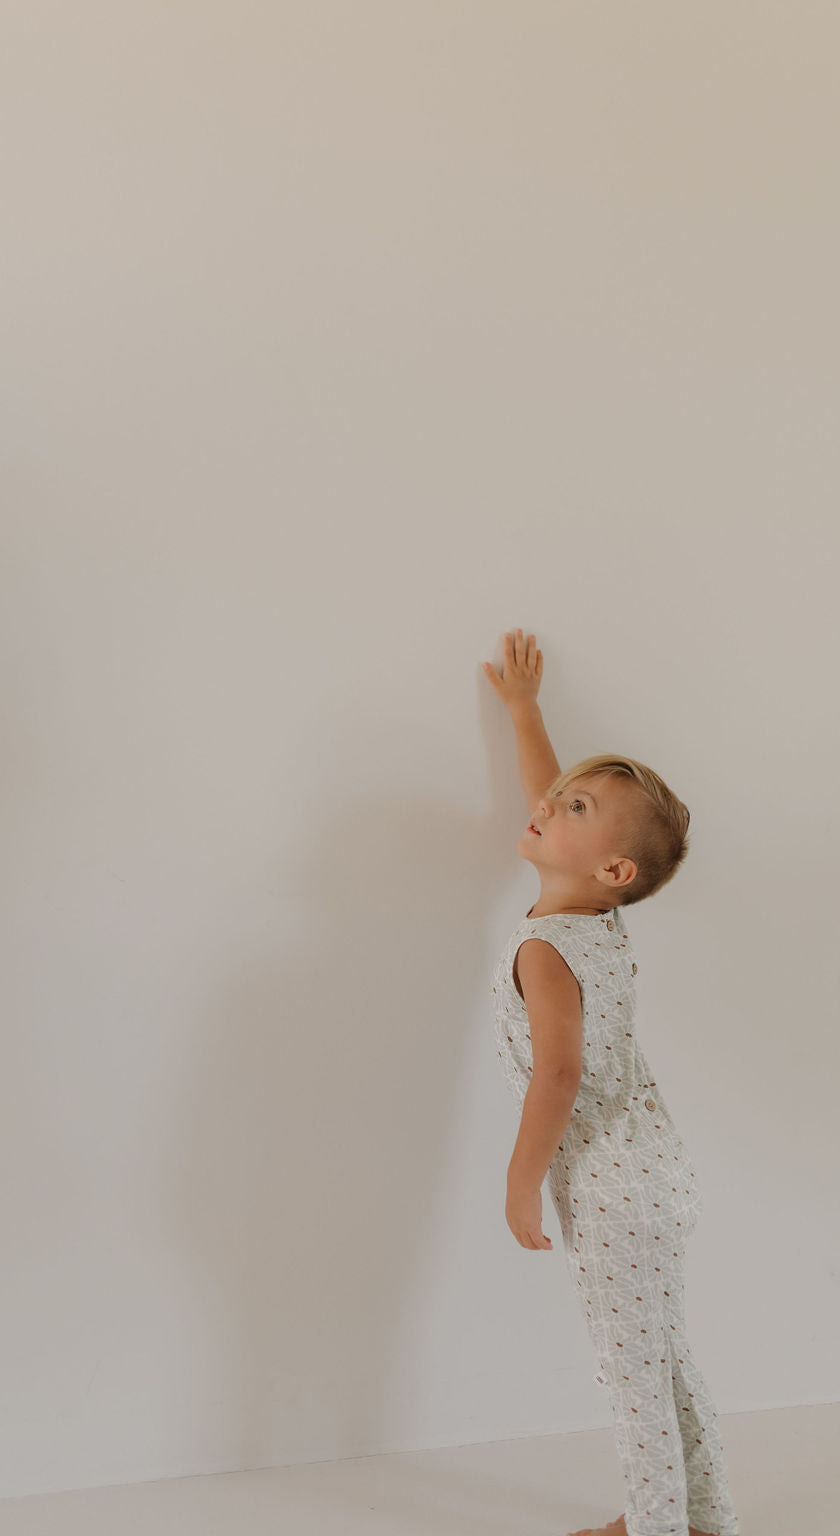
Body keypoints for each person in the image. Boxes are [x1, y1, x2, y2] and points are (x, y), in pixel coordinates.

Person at [481, 629, 742, 1536]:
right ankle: (704, 1514)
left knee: (633, 1376)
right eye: (558, 798)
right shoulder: (598, 915)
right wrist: (525, 711)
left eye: (574, 806)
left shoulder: (551, 945)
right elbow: (551, 804)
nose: (549, 805)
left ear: (612, 871)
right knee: (665, 1358)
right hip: (658, 1173)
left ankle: (656, 1526)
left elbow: (556, 1074)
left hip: (611, 1189)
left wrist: (520, 1185)